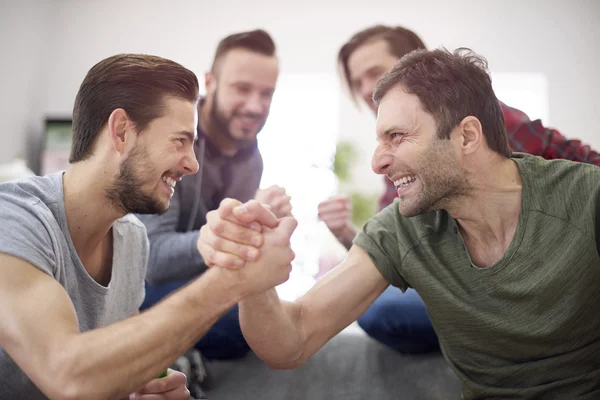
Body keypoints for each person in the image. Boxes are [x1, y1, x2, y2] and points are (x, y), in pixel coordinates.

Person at [198, 48, 600, 399]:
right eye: (379, 139)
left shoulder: (586, 197)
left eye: (397, 136)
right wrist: (251, 274)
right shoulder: (403, 228)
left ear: (467, 136)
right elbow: (291, 340)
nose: (378, 161)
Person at [0, 53, 297, 400]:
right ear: (122, 131)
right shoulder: (14, 216)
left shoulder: (132, 239)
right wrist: (231, 279)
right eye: (180, 141)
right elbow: (67, 376)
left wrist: (145, 387)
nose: (193, 164)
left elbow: (114, 369)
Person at [317, 24, 600, 355]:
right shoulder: (400, 162)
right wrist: (345, 232)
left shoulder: (487, 123)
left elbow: (582, 161)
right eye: (357, 82)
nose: (366, 89)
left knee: (384, 310)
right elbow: (393, 248)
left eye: (376, 73)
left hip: (528, 284)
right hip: (462, 285)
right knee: (377, 308)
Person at [137, 29, 292, 363]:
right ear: (210, 81)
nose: (256, 106)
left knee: (271, 318)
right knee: (245, 329)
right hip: (145, 284)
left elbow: (229, 252)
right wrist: (229, 234)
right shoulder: (169, 140)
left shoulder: (254, 158)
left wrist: (258, 224)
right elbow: (153, 260)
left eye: (267, 93)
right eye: (242, 89)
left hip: (202, 284)